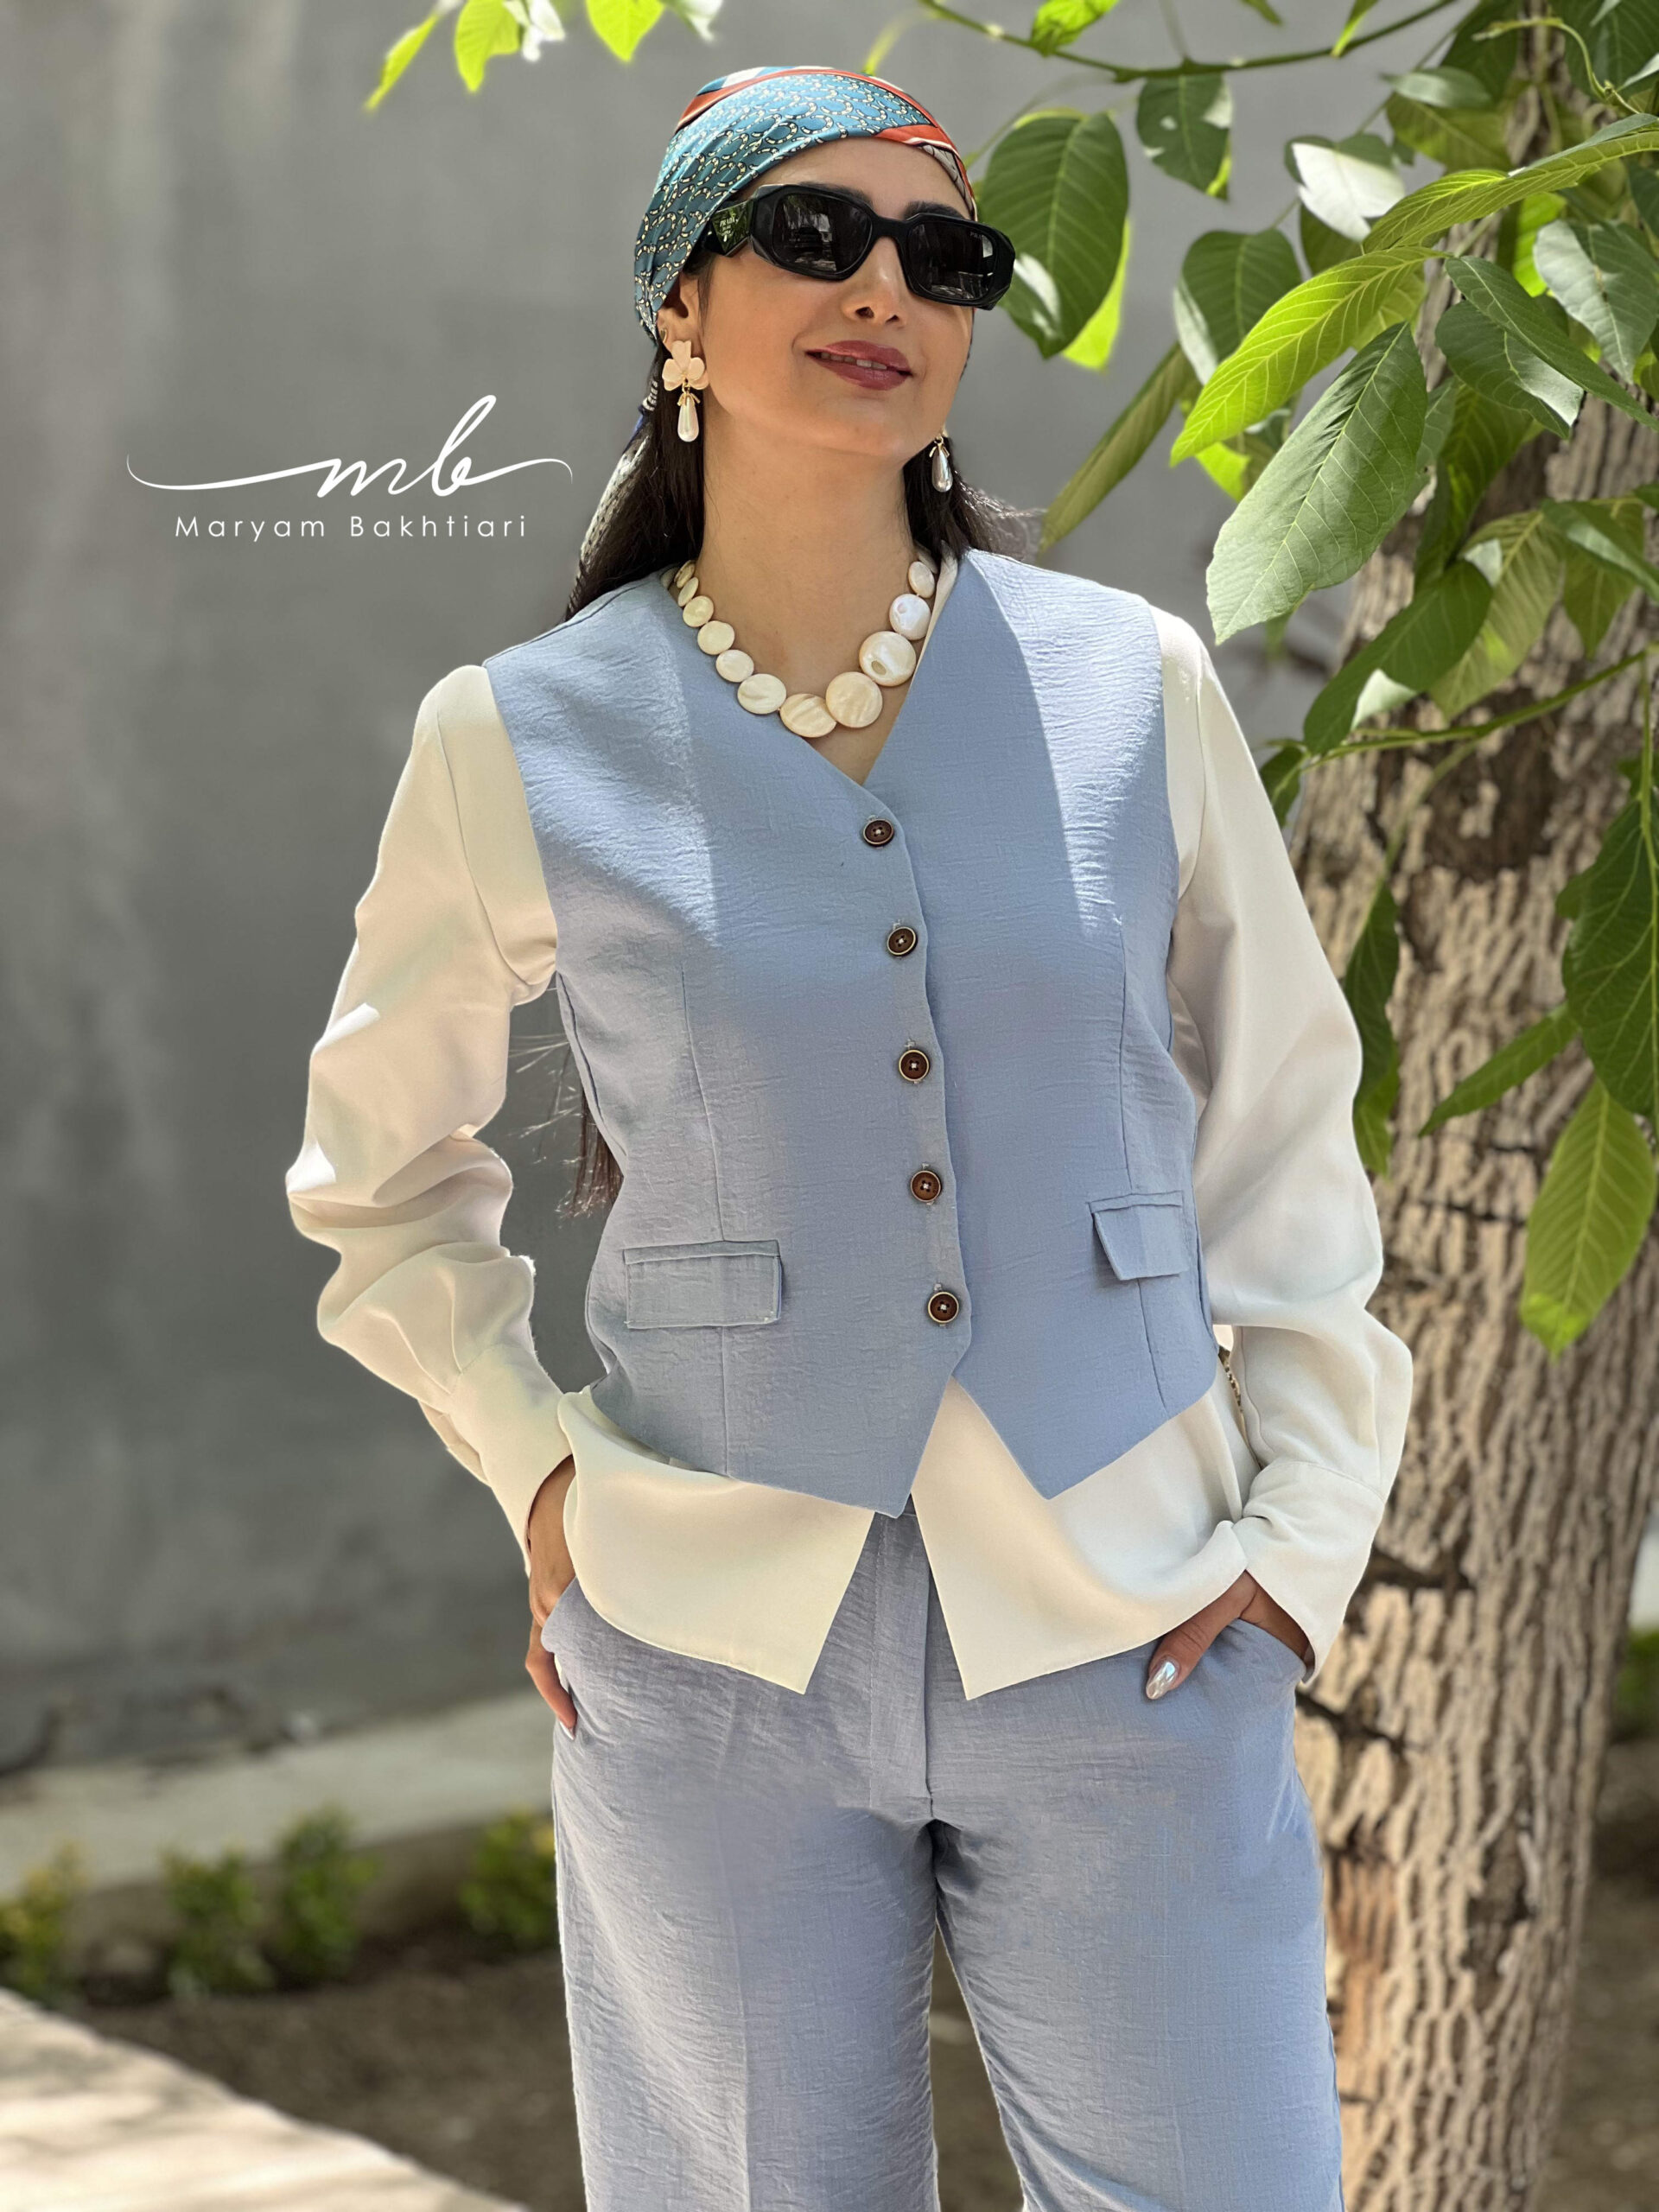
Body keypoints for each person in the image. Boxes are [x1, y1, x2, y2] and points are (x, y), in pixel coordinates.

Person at [286, 62, 1412, 2212]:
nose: (884, 285)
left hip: (1135, 1607)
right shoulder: (514, 735)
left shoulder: (1135, 683)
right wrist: (533, 1461)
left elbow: (1288, 1125)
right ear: (679, 308)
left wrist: (1302, 1538)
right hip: (707, 1640)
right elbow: (380, 1179)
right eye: (812, 236)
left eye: (943, 255)